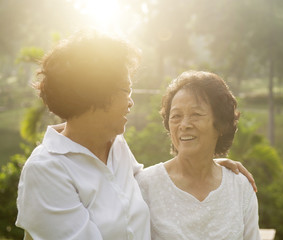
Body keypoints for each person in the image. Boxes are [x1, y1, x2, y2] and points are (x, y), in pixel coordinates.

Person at [15, 31, 256, 240]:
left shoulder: (116, 147)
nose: (131, 102)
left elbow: (153, 183)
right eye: (126, 90)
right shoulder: (47, 170)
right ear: (96, 95)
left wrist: (206, 163)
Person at [136, 71, 261, 240]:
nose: (184, 125)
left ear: (220, 124)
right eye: (176, 116)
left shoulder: (240, 187)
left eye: (196, 114)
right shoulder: (144, 186)